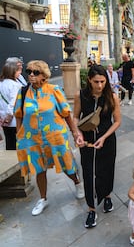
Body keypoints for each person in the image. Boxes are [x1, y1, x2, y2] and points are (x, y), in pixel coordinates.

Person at [14, 60, 84, 216]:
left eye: (35, 72)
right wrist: (19, 135)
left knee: (66, 163)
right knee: (39, 169)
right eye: (29, 71)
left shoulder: (54, 90)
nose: (31, 75)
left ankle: (77, 183)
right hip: (33, 139)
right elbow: (18, 115)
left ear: (44, 75)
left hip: (55, 136)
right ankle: (43, 198)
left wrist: (74, 132)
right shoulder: (23, 92)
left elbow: (66, 113)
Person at [73, 64, 121, 228]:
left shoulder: (112, 97)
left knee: (106, 169)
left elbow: (117, 121)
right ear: (89, 80)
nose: (100, 85)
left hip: (107, 140)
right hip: (86, 141)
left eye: (102, 81)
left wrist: (105, 136)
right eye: (96, 82)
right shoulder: (80, 96)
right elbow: (74, 118)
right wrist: (77, 134)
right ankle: (91, 208)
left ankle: (106, 196)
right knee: (88, 172)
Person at [0, 62, 22, 149]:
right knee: (17, 142)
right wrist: (9, 115)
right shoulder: (15, 85)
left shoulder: (1, 83)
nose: (20, 73)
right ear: (12, 72)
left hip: (3, 118)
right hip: (13, 119)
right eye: (18, 71)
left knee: (9, 142)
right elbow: (14, 102)